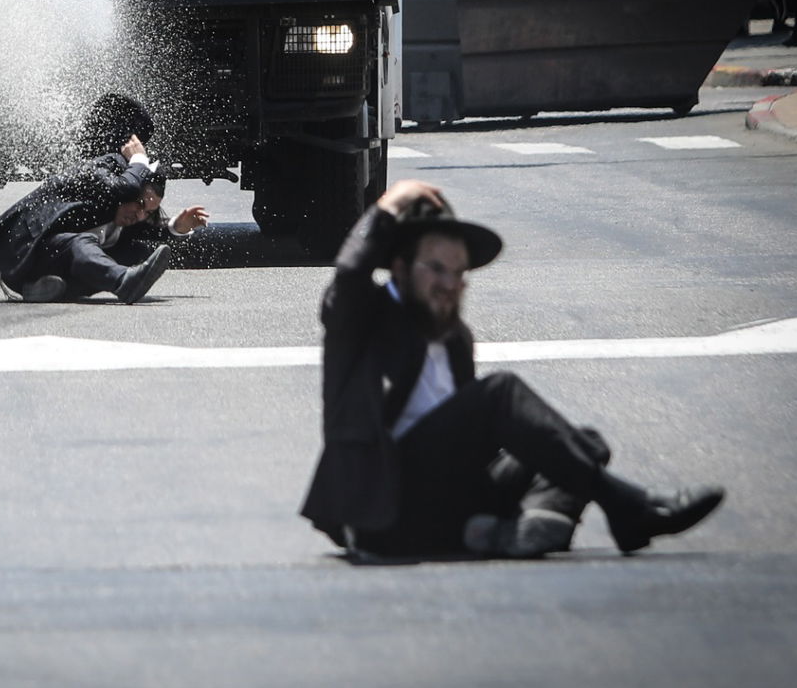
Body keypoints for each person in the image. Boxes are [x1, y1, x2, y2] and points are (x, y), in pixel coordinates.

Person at [300, 179, 724, 560]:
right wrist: (390, 205)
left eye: (459, 273)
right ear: (399, 268)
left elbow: (475, 445)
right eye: (436, 269)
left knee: (578, 443)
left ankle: (515, 528)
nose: (450, 285)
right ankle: (627, 506)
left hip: (444, 500)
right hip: (384, 507)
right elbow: (350, 273)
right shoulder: (361, 319)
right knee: (502, 393)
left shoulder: (454, 339)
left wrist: (531, 453)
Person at [0, 127, 209, 304]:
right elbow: (126, 188)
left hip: (52, 268)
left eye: (147, 212)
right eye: (139, 204)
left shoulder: (127, 210)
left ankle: (48, 290)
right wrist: (139, 160)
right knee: (81, 242)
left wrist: (176, 225)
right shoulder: (97, 176)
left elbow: (146, 223)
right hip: (23, 261)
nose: (139, 215)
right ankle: (124, 283)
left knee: (137, 252)